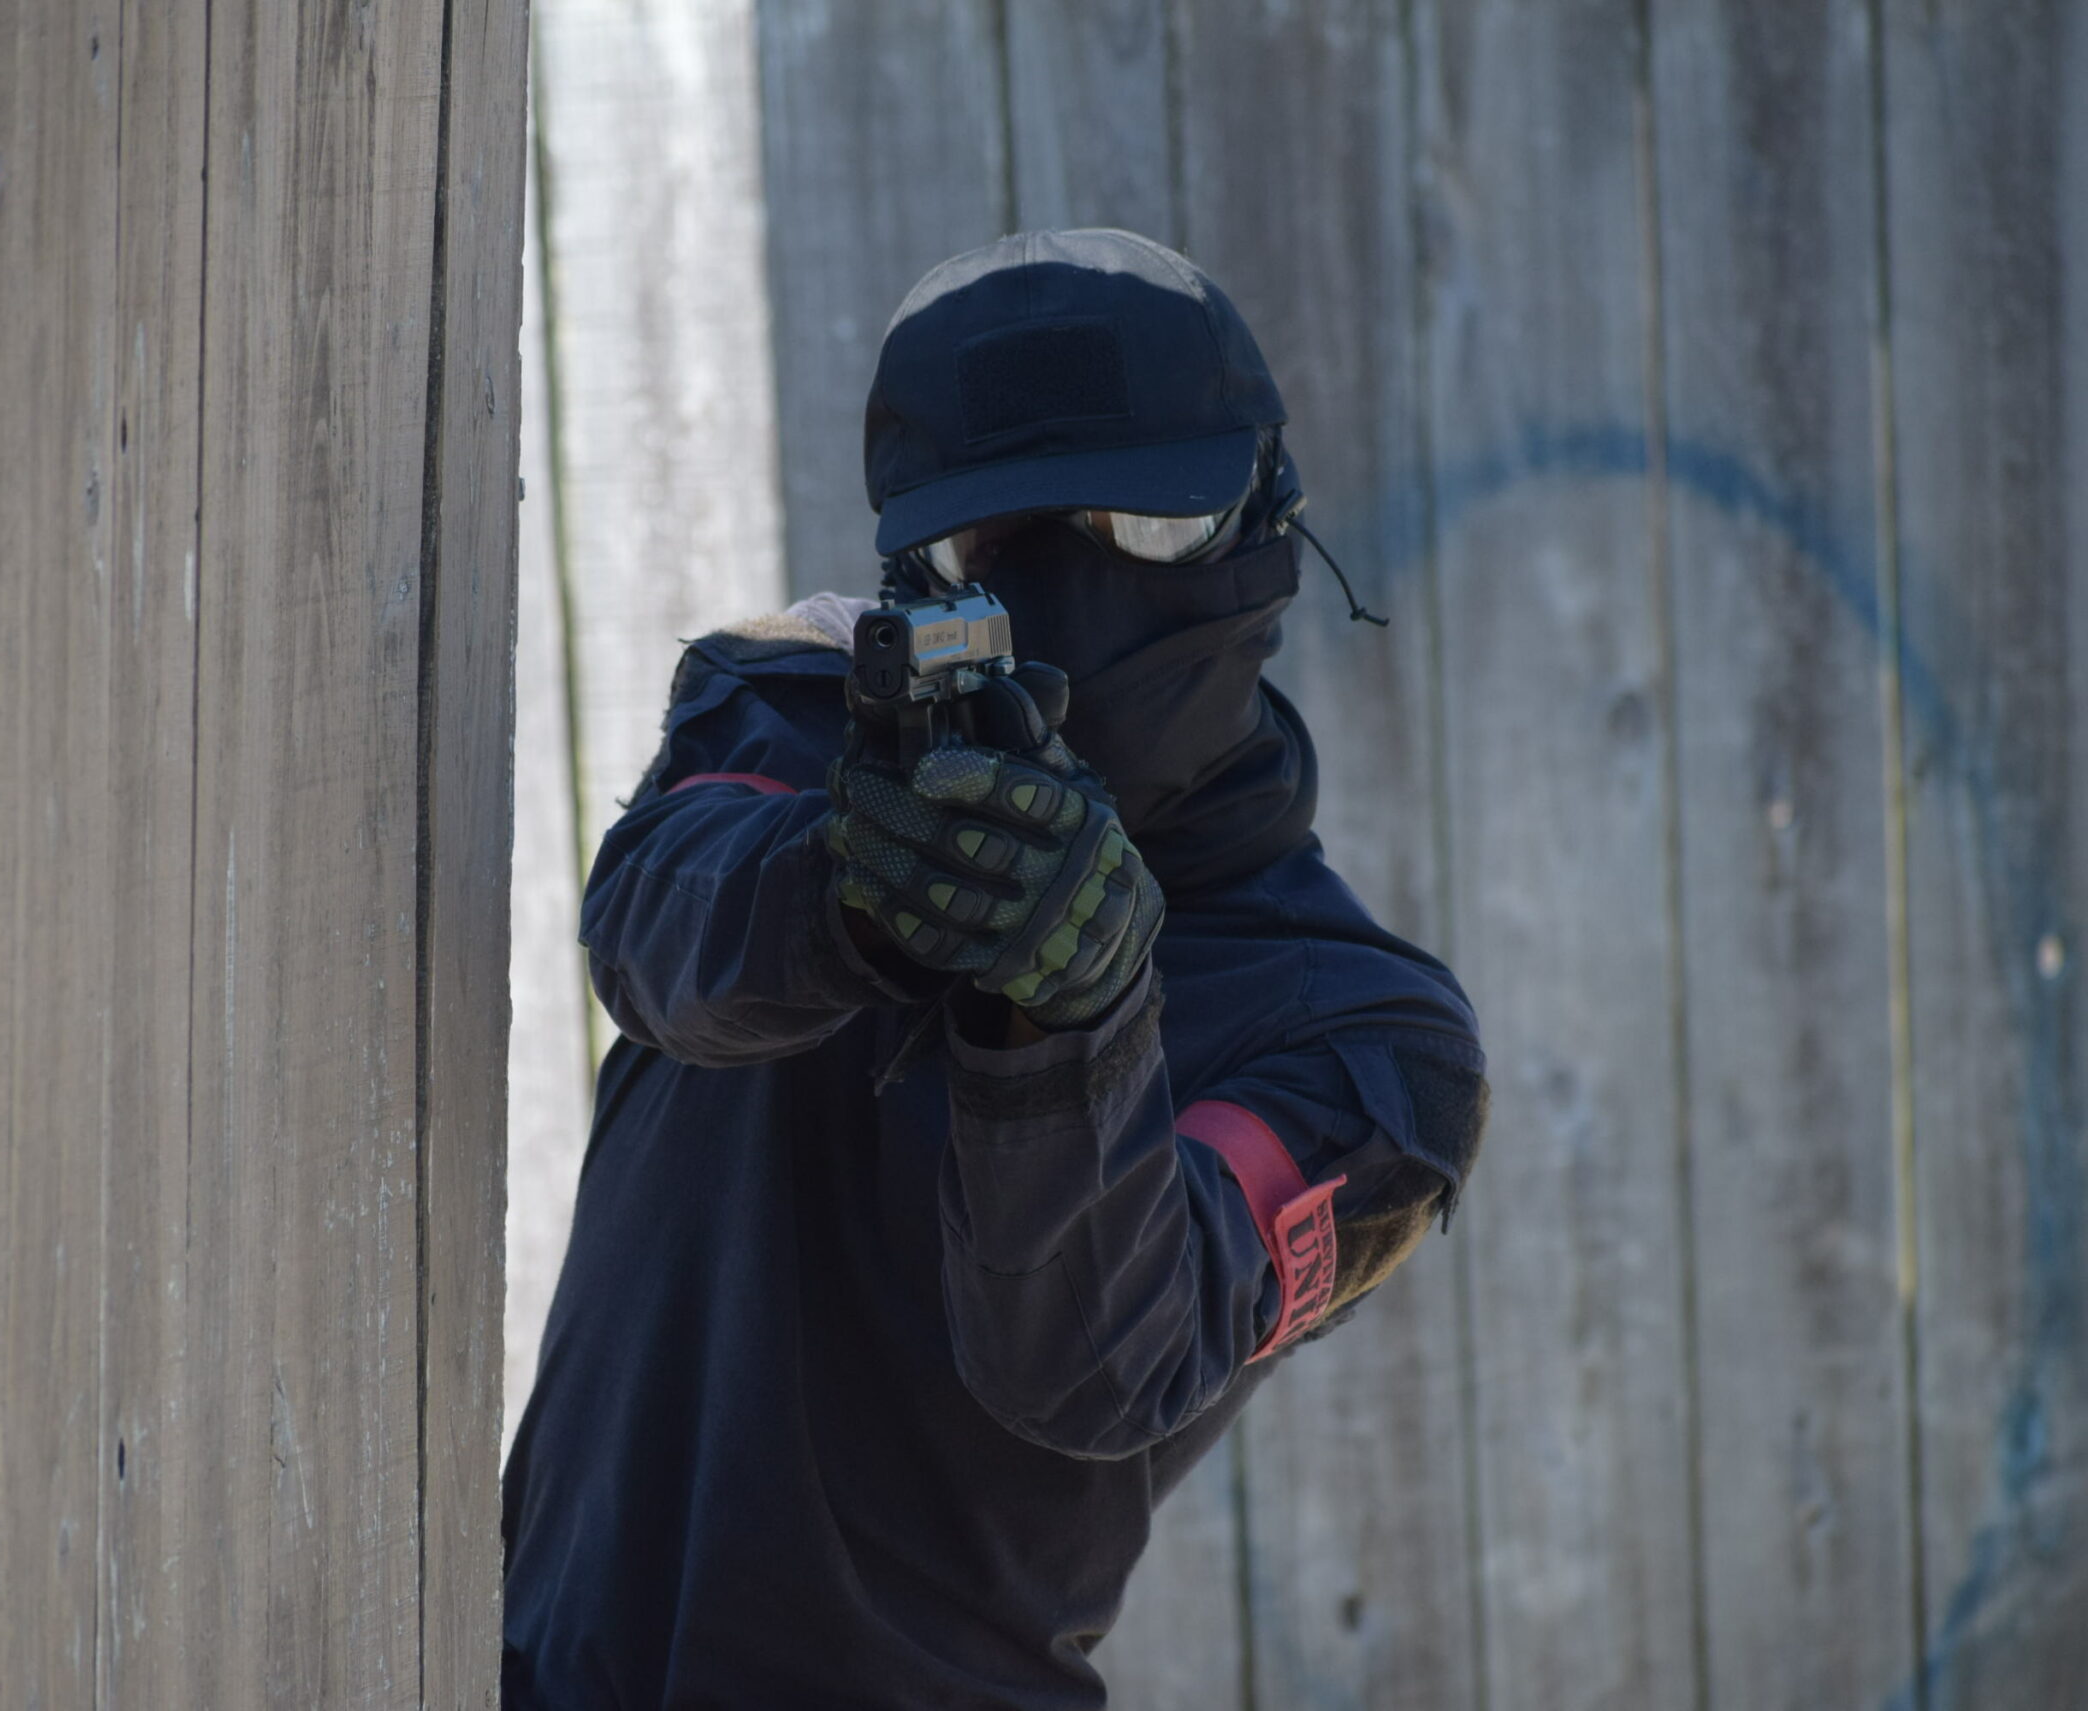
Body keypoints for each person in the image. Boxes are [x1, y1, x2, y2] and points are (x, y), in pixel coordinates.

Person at [501, 228, 1487, 1709]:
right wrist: (854, 892)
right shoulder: (798, 718)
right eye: (992, 548)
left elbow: (1098, 1365)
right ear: (919, 566)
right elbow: (656, 939)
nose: (1073, 590)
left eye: (1142, 526)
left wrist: (1072, 1019)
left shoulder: (1367, 1046)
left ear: (1267, 530)